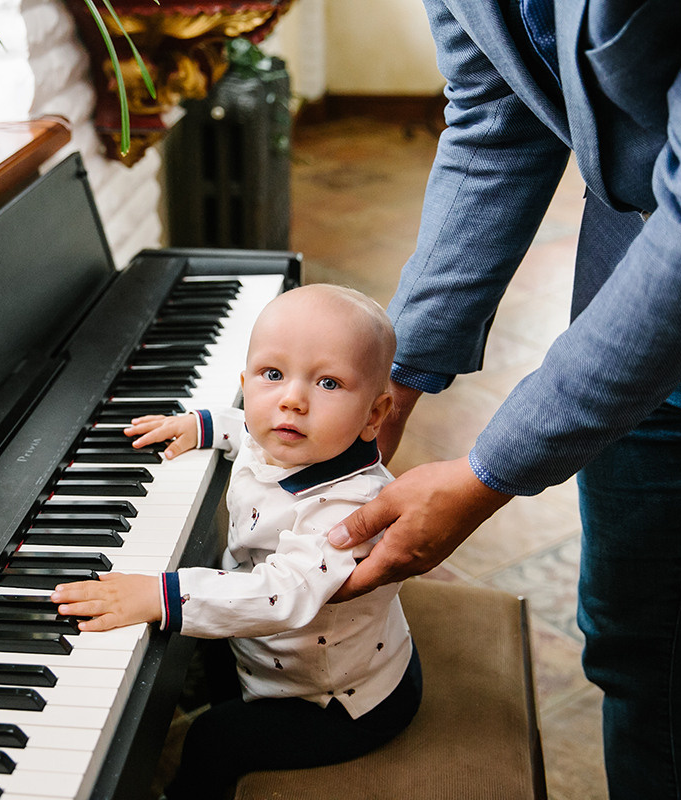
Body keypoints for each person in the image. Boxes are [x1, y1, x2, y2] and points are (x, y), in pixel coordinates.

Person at [323, 1, 681, 797]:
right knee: (640, 654)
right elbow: (496, 118)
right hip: (631, 303)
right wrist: (386, 381)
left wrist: (489, 472)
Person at [50, 284, 422, 799]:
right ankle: (226, 689)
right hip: (282, 655)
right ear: (246, 382)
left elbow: (282, 593)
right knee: (214, 644)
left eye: (329, 382)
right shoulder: (291, 433)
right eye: (273, 375)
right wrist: (202, 425)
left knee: (214, 738)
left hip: (339, 699)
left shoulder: (350, 507)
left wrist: (160, 595)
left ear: (375, 415)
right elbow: (248, 429)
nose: (291, 399)